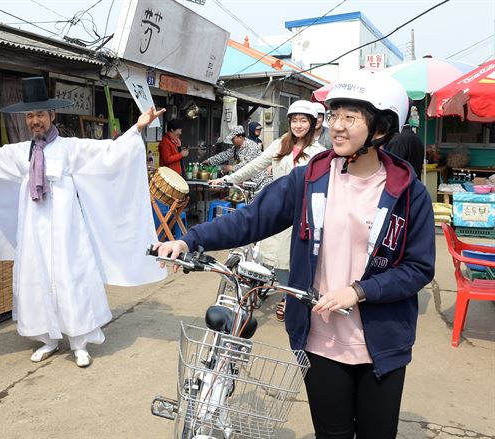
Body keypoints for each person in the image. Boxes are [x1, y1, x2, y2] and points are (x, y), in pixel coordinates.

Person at [154, 71, 435, 438]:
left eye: (351, 118)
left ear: (380, 128)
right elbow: (252, 219)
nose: (337, 126)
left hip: (382, 344)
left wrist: (360, 291)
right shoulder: (310, 179)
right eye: (334, 115)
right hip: (320, 340)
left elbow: (419, 267)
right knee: (331, 434)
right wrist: (191, 240)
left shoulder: (409, 193)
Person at [0, 77, 165, 367]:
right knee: (36, 277)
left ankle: (79, 342)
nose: (35, 120)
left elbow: (108, 152)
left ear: (52, 115)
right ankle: (47, 339)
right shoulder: (20, 152)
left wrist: (138, 127)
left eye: (40, 114)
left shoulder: (70, 148)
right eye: (30, 115)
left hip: (66, 229)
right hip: (32, 230)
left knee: (71, 275)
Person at [208, 100, 325, 320]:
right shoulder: (281, 143)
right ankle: (286, 292)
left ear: (312, 123)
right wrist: (227, 179)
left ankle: (289, 296)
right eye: (295, 120)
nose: (299, 125)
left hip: (303, 211)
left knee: (293, 259)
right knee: (275, 258)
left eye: (304, 121)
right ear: (289, 122)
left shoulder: (319, 152)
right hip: (278, 208)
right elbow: (255, 165)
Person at [203, 125, 270, 189]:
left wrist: (232, 168)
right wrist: (210, 161)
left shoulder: (251, 146)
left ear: (240, 137)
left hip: (261, 181)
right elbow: (225, 154)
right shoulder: (236, 147)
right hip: (249, 181)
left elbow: (247, 164)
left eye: (233, 138)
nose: (232, 141)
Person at [384, 104, 425, 179]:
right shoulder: (416, 138)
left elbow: (392, 170)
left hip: (401, 187)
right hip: (413, 185)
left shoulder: (397, 140)